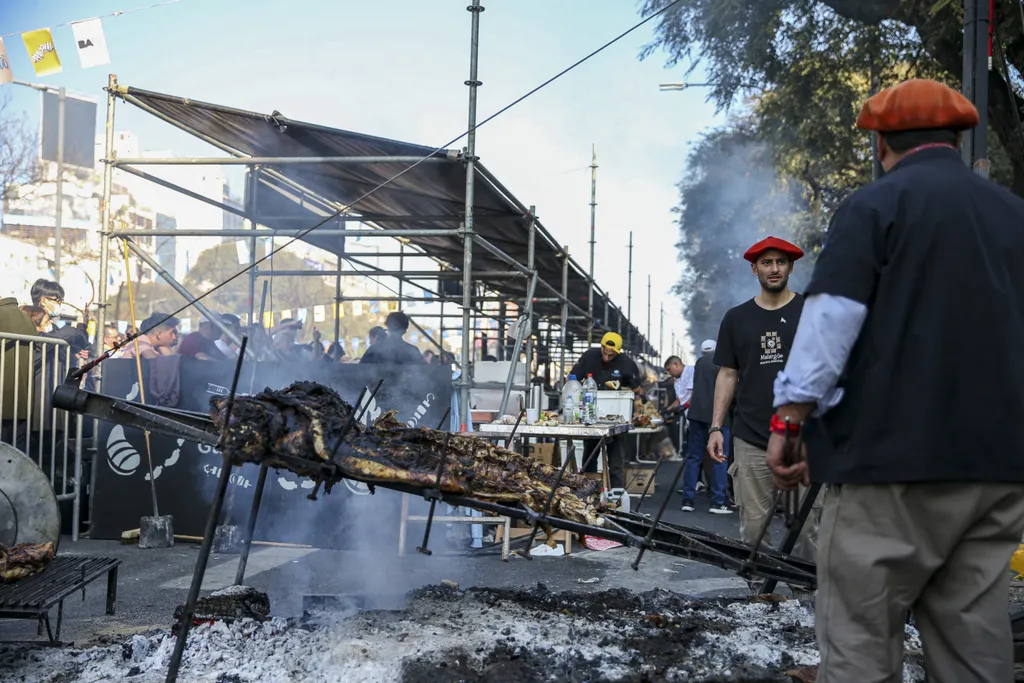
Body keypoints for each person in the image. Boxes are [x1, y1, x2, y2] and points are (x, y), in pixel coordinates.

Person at [768, 78, 1024, 682]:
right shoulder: (1015, 216)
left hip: (892, 468)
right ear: (958, 138)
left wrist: (790, 420)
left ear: (881, 142)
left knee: (859, 626)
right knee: (973, 632)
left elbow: (831, 324)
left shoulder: (875, 206)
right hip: (997, 469)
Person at [707, 235, 816, 561]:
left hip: (807, 437)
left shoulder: (810, 311)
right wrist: (715, 427)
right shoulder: (736, 318)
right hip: (752, 435)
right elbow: (728, 374)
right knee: (753, 529)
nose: (774, 268)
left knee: (808, 527)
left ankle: (805, 597)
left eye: (780, 262)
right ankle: (762, 598)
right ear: (754, 269)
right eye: (766, 263)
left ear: (791, 267)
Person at [568, 332, 641, 490]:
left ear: (618, 353)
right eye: (605, 352)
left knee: (616, 461)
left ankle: (617, 497)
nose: (607, 358)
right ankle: (588, 492)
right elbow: (572, 378)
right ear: (601, 347)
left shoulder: (626, 363)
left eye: (612, 355)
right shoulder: (589, 356)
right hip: (592, 413)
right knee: (589, 458)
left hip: (618, 415)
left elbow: (637, 389)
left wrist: (628, 395)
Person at [679, 340, 732, 514]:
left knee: (694, 458)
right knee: (719, 458)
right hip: (718, 417)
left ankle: (688, 499)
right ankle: (717, 502)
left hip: (696, 415)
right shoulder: (725, 360)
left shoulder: (700, 363)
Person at [360, 312, 425, 364]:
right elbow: (424, 374)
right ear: (405, 330)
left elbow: (360, 372)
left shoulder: (374, 350)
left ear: (387, 326)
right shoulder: (413, 351)